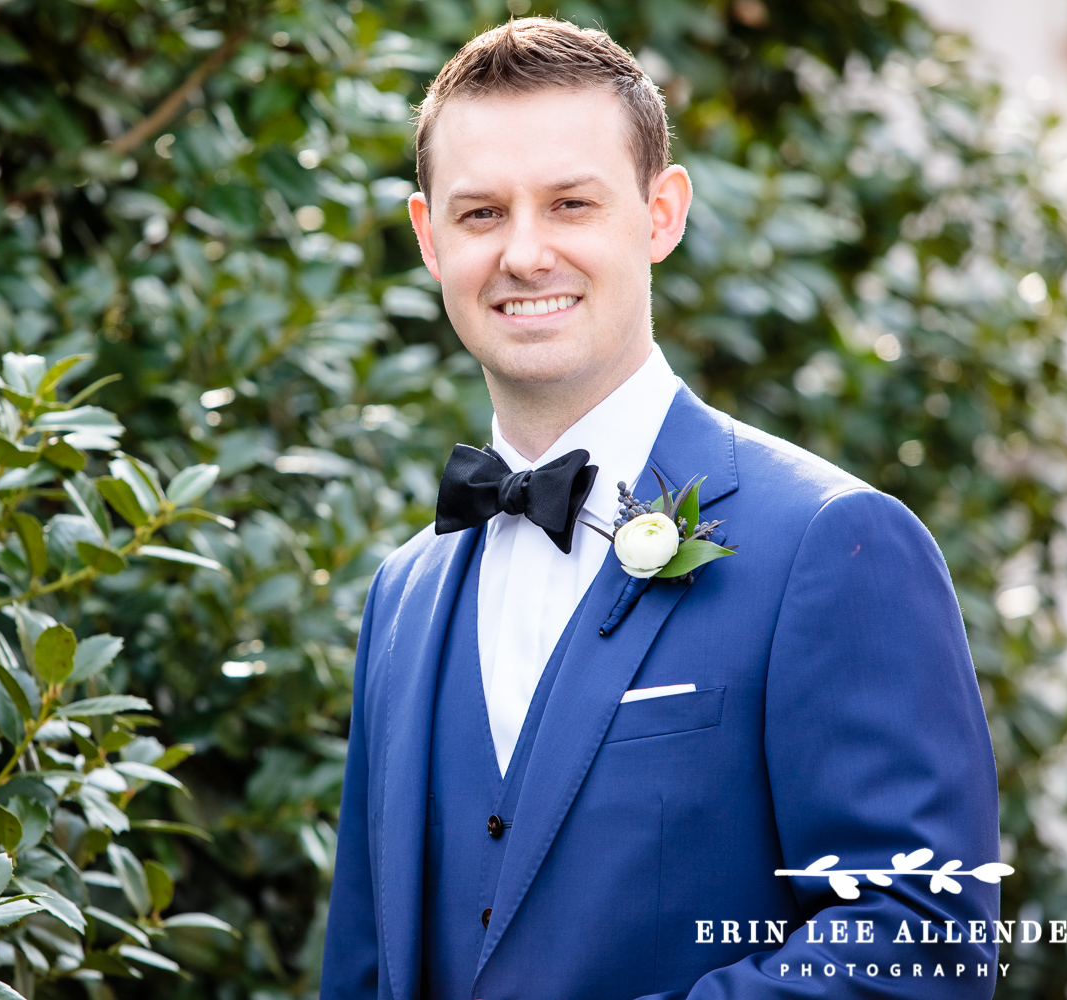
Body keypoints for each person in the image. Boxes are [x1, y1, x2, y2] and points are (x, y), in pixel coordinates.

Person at [321, 17, 1001, 1000]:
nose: (523, 253)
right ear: (429, 239)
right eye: (480, 215)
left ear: (662, 214)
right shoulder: (404, 593)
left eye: (570, 204)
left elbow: (919, 940)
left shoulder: (832, 541)